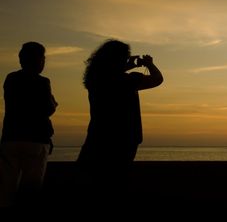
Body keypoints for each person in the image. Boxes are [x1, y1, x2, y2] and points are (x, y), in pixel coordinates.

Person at [76, 39, 163, 208]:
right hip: (124, 140)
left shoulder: (95, 80)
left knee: (93, 184)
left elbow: (107, 74)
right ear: (120, 59)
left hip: (98, 138)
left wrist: (125, 65)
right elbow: (157, 79)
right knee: (116, 185)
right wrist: (149, 64)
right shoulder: (127, 81)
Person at [0, 42, 58, 210]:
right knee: (30, 190)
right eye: (43, 58)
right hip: (36, 140)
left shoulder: (10, 79)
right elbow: (46, 109)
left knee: (6, 189)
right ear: (39, 60)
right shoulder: (42, 82)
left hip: (10, 139)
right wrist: (53, 103)